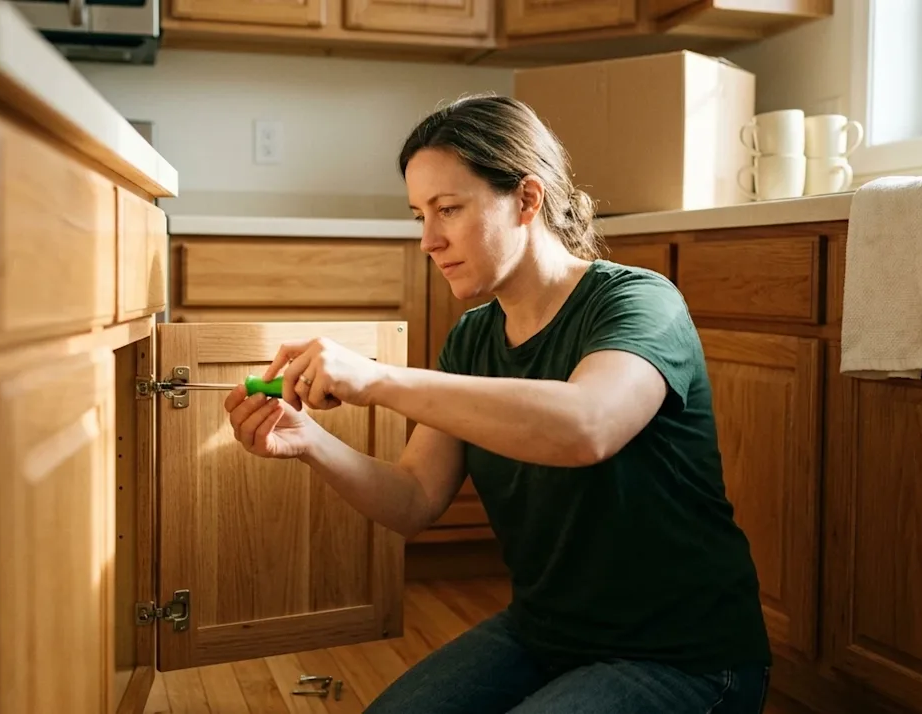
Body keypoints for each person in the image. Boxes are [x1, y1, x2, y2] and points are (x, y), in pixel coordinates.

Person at [222, 93, 772, 714]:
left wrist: (376, 379)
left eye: (448, 209)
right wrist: (309, 441)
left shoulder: (641, 303)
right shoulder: (474, 336)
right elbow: (413, 499)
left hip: (684, 658)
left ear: (527, 200)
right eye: (418, 216)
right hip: (544, 634)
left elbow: (586, 426)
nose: (429, 240)